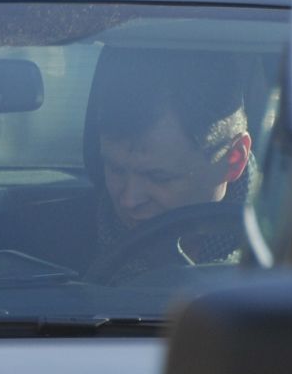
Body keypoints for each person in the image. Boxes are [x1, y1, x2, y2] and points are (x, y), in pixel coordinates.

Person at [83, 49, 254, 279]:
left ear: (234, 160)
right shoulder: (58, 248)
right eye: (116, 170)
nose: (129, 200)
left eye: (159, 177)